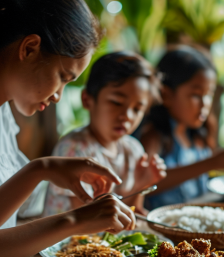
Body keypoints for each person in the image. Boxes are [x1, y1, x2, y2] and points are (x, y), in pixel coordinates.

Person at [0, 0, 135, 257]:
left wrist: (43, 169)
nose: (59, 95)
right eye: (62, 76)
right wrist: (75, 220)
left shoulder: (4, 113)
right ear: (30, 48)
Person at [44, 51, 166, 216]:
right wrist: (138, 186)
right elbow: (84, 221)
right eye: (116, 102)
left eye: (137, 109)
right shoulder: (74, 149)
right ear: (87, 100)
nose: (127, 116)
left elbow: (133, 213)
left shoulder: (133, 150)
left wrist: (142, 185)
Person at [139, 47, 224, 209]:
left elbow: (201, 166)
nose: (204, 104)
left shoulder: (197, 135)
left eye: (208, 94)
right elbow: (143, 184)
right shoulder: (153, 136)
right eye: (195, 95)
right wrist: (213, 162)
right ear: (166, 95)